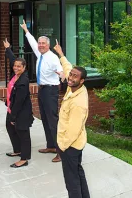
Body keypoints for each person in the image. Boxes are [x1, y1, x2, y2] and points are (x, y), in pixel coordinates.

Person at [19, 19, 63, 162]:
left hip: (51, 91)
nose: (40, 45)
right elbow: (32, 43)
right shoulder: (40, 55)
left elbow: (60, 70)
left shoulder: (52, 58)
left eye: (43, 43)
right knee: (44, 118)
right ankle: (51, 146)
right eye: (40, 43)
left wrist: (62, 75)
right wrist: (26, 31)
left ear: (48, 45)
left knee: (52, 121)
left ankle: (60, 152)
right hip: (42, 91)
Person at [53, 40, 90, 198]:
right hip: (75, 144)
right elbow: (68, 68)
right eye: (71, 75)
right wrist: (61, 54)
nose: (71, 77)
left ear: (81, 81)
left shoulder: (78, 103)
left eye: (75, 76)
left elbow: (73, 130)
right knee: (77, 172)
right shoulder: (73, 85)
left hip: (71, 145)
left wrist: (62, 146)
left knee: (71, 181)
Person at [3, 38, 34, 168]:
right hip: (11, 108)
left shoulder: (23, 81)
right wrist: (8, 48)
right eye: (15, 66)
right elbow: (13, 60)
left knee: (23, 133)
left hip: (20, 112)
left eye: (18, 66)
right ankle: (17, 150)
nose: (15, 68)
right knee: (10, 128)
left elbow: (20, 102)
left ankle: (24, 158)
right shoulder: (16, 75)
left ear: (24, 68)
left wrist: (13, 116)